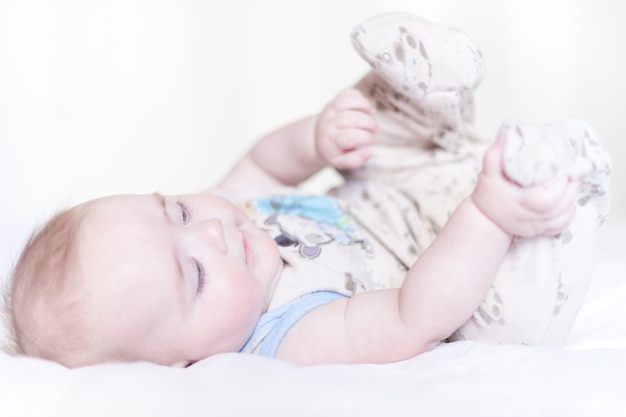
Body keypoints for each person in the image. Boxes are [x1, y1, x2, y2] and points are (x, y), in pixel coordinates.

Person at [7, 12, 611, 368]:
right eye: (193, 275)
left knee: (378, 136)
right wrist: (485, 216)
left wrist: (318, 139)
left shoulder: (227, 222)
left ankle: (430, 75)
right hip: (451, 268)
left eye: (179, 209)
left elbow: (264, 162)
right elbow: (413, 316)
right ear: (187, 364)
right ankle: (542, 183)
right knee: (512, 322)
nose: (210, 231)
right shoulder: (286, 336)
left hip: (393, 193)